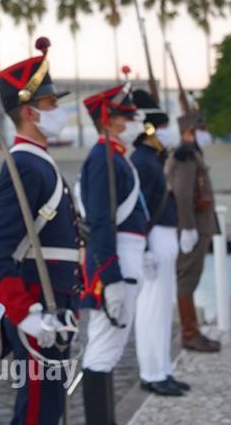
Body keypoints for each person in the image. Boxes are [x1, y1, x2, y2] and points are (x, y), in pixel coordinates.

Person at [0, 38, 82, 425]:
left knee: (50, 405)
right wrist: (24, 313)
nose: (58, 111)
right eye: (50, 104)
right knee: (38, 410)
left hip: (56, 304)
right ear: (28, 111)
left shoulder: (40, 161)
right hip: (39, 304)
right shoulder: (25, 163)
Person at [78, 84, 148, 425]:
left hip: (127, 257)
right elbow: (102, 221)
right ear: (108, 120)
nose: (131, 120)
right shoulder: (103, 158)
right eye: (125, 115)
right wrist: (111, 277)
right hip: (115, 261)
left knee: (110, 351)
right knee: (102, 352)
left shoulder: (114, 156)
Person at [129, 89, 191, 397]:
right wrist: (144, 248)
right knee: (152, 308)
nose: (168, 132)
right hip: (153, 240)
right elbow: (139, 207)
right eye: (163, 126)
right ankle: (152, 372)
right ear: (150, 129)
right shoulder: (142, 160)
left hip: (164, 237)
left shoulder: (152, 158)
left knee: (162, 309)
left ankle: (162, 368)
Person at [169, 112, 221, 353]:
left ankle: (192, 330)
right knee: (187, 278)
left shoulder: (193, 153)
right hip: (194, 227)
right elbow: (182, 193)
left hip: (198, 225)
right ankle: (189, 332)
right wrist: (188, 228)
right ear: (189, 132)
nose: (205, 133)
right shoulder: (186, 156)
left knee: (190, 278)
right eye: (201, 129)